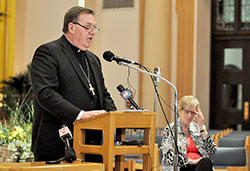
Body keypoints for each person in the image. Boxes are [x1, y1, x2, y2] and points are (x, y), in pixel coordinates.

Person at [30, 6, 117, 162]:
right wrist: (80, 115)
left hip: (92, 145)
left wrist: (115, 117)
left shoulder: (93, 59)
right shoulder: (48, 52)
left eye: (94, 28)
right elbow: (46, 94)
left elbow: (103, 95)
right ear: (71, 27)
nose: (92, 32)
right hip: (57, 144)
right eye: (88, 27)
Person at [161, 95, 216, 171]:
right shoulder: (170, 129)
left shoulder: (198, 128)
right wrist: (192, 161)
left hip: (201, 166)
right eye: (187, 112)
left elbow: (212, 150)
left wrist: (201, 128)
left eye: (192, 113)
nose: (190, 116)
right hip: (181, 167)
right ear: (180, 111)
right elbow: (169, 156)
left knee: (206, 162)